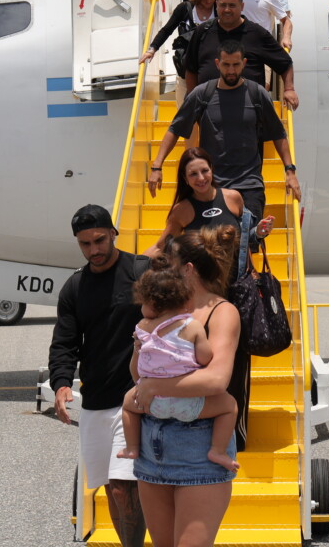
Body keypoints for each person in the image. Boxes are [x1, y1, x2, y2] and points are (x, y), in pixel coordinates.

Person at [131, 227, 242, 547]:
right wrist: (139, 349)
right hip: (152, 444)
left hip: (198, 447)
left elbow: (216, 380)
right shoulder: (161, 309)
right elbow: (138, 376)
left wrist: (155, 385)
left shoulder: (222, 312)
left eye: (170, 262)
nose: (163, 268)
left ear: (188, 269)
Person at [48, 204, 150, 547]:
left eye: (100, 240)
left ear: (113, 233)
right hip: (95, 401)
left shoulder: (142, 271)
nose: (94, 249)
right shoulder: (74, 287)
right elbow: (64, 342)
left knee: (124, 487)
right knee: (110, 489)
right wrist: (61, 384)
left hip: (135, 399)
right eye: (85, 244)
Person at [150, 41, 301, 223]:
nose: (231, 70)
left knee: (248, 238)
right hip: (212, 187)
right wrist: (157, 167)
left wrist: (290, 172)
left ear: (244, 63)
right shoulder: (202, 94)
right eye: (226, 64)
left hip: (249, 186)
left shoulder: (257, 94)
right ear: (217, 64)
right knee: (216, 240)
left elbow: (278, 134)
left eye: (236, 64)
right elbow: (175, 129)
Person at [116, 265, 239, 473]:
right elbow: (205, 357)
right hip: (189, 402)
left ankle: (132, 447)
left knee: (128, 404)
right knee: (229, 405)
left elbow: (137, 373)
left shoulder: (142, 328)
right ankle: (218, 451)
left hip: (151, 403)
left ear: (152, 304)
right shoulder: (190, 326)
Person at [143, 147, 273, 259]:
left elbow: (245, 238)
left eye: (205, 171)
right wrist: (133, 265)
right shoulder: (181, 210)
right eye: (193, 174)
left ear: (211, 169)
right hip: (203, 280)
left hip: (238, 279)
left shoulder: (233, 197)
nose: (201, 178)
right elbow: (160, 247)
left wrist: (258, 232)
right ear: (185, 178)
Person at [183, 0, 298, 111]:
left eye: (232, 5)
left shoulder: (257, 34)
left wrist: (289, 89)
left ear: (242, 6)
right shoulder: (202, 32)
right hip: (210, 113)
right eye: (223, 5)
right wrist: (194, 101)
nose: (227, 10)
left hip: (249, 112)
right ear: (216, 5)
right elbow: (191, 69)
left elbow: (285, 63)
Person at [140, 0, 219, 103]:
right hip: (186, 72)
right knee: (185, 110)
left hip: (211, 71)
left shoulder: (219, 10)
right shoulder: (184, 9)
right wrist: (152, 49)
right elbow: (167, 30)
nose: (208, 0)